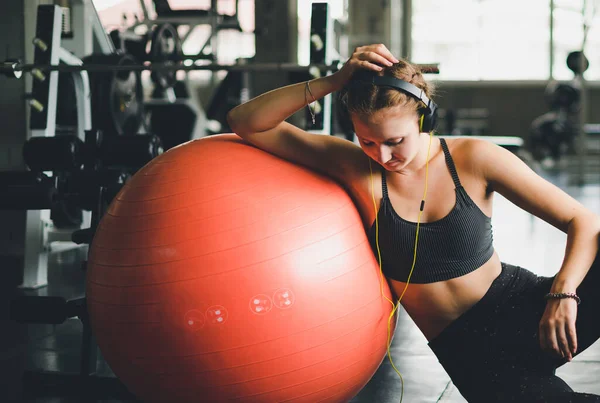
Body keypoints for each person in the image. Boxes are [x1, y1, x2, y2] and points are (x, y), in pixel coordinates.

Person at [226, 44, 600, 402]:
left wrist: (562, 295)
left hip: (532, 307)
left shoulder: (474, 158)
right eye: (367, 141)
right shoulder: (356, 168)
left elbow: (580, 219)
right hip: (475, 358)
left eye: (395, 140)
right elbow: (247, 122)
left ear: (425, 118)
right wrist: (334, 80)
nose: (383, 155)